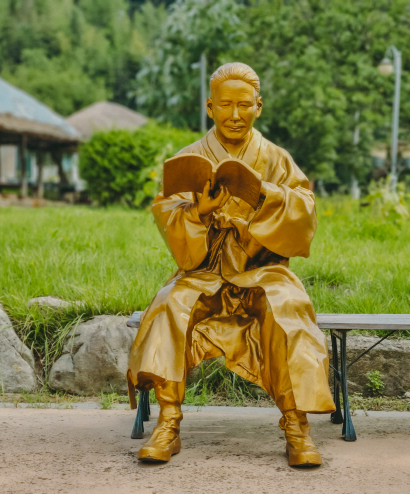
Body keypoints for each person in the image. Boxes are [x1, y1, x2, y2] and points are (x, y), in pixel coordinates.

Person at [127, 62, 335, 467]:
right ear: (210, 107)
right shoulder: (189, 157)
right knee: (171, 304)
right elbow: (167, 211)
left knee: (289, 307)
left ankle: (297, 425)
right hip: (204, 269)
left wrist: (263, 198)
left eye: (244, 105)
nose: (235, 114)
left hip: (262, 267)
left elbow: (304, 211)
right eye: (226, 105)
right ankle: (168, 422)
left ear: (260, 106)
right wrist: (198, 213)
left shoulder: (277, 158)